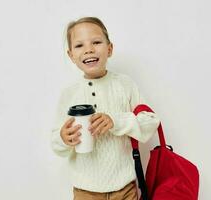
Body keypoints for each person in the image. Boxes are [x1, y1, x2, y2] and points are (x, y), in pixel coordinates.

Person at [51, 16, 160, 200]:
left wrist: (116, 121)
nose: (89, 49)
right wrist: (63, 138)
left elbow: (150, 121)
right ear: (71, 56)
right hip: (85, 191)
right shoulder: (69, 94)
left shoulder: (125, 85)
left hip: (124, 189)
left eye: (96, 42)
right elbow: (56, 142)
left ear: (109, 49)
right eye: (79, 45)